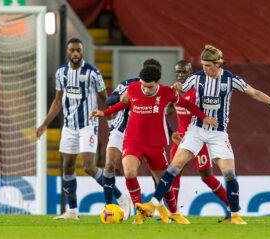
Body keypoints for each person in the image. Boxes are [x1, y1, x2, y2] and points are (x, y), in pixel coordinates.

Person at [136, 45, 270, 225]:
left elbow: (254, 92)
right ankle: (152, 205)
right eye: (203, 65)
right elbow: (184, 90)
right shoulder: (197, 78)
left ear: (218, 64)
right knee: (173, 168)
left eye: (208, 65)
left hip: (218, 134)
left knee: (230, 175)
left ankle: (235, 215)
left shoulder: (230, 79)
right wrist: (179, 87)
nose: (204, 69)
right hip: (196, 130)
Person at [90, 65, 218, 224]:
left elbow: (186, 104)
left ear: (158, 82)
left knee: (161, 180)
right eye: (144, 85)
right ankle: (139, 213)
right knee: (129, 172)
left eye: (150, 87)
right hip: (133, 140)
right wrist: (104, 113)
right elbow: (123, 104)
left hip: (155, 143)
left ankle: (174, 212)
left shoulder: (166, 92)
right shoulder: (133, 87)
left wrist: (203, 116)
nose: (147, 89)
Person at [35, 38, 128, 220]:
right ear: (68, 52)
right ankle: (72, 211)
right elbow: (57, 101)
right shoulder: (61, 72)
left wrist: (110, 124)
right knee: (67, 166)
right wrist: (45, 123)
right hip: (69, 126)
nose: (76, 53)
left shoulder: (93, 73)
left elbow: (105, 98)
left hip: (88, 125)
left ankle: (121, 197)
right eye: (72, 50)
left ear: (82, 52)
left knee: (87, 166)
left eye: (78, 50)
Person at [168, 60, 231, 221]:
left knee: (207, 177)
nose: (181, 75)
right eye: (178, 72)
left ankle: (231, 207)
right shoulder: (173, 90)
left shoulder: (198, 90)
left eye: (184, 72)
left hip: (198, 139)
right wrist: (170, 132)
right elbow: (163, 111)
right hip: (180, 140)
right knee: (173, 174)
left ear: (191, 74)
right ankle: (173, 213)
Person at [102, 59, 164, 221]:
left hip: (145, 135)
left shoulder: (159, 92)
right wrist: (120, 98)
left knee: (156, 170)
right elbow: (109, 101)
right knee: (109, 165)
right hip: (121, 130)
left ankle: (157, 207)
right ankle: (108, 207)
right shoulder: (129, 84)